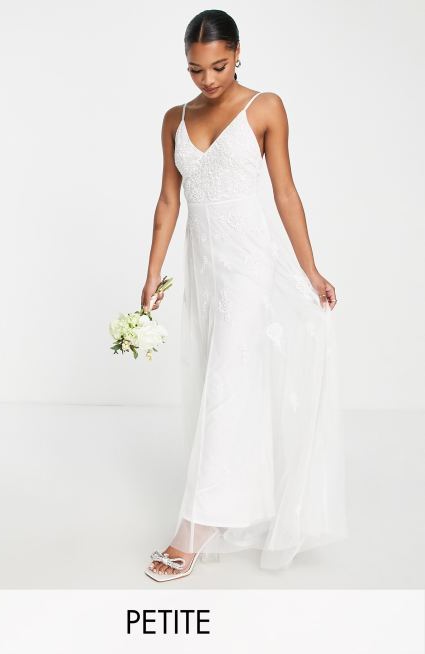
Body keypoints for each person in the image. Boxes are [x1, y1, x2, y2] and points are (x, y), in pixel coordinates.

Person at [141, 9, 348, 582]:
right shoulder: (175, 118)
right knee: (219, 381)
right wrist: (152, 273)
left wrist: (310, 270)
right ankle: (238, 502)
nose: (208, 79)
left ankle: (193, 530)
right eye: (195, 69)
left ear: (237, 53)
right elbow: (168, 201)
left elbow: (285, 192)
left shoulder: (265, 107)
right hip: (204, 269)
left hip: (249, 265)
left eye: (219, 66)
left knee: (227, 387)